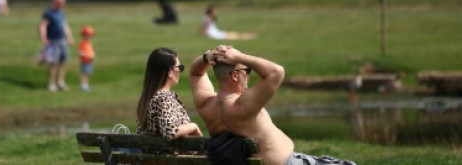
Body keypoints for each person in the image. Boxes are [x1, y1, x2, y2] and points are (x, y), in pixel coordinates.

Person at [190, 45, 358, 165]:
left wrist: (207, 57)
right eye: (247, 71)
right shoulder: (242, 105)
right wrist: (239, 57)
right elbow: (276, 72)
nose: (248, 76)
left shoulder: (207, 106)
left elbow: (195, 73)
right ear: (235, 76)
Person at [136, 47, 202, 139]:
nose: (180, 71)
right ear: (170, 72)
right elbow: (170, 132)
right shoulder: (163, 98)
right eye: (180, 67)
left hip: (151, 152)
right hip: (169, 153)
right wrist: (193, 126)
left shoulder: (147, 98)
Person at [38, 0, 74, 91]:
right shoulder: (48, 13)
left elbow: (65, 25)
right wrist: (44, 39)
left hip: (63, 40)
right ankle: (51, 83)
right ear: (55, 2)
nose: (62, 4)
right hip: (53, 41)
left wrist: (70, 37)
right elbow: (42, 26)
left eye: (63, 3)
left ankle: (61, 82)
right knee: (53, 63)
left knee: (62, 62)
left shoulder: (61, 12)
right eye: (61, 2)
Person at [78, 25, 96, 92]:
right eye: (88, 35)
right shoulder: (83, 43)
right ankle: (83, 85)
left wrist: (93, 55)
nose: (90, 37)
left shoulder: (89, 43)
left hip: (89, 62)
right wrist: (88, 55)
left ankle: (86, 85)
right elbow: (80, 53)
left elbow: (91, 51)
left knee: (87, 73)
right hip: (85, 62)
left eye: (90, 36)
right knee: (84, 74)